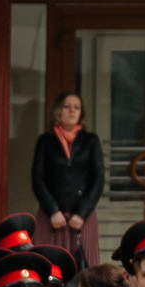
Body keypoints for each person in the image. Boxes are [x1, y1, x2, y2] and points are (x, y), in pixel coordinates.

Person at [30, 93, 105, 268]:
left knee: (85, 271)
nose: (72, 110)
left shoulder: (91, 141)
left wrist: (82, 213)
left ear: (81, 114)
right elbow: (37, 179)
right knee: (46, 267)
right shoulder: (45, 141)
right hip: (51, 218)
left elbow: (98, 179)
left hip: (82, 219)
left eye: (76, 107)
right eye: (67, 106)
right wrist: (53, 210)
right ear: (58, 111)